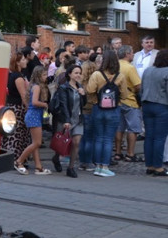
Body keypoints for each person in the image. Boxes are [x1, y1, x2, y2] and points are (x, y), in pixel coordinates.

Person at [86, 49, 128, 177]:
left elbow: (89, 89)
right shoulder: (120, 76)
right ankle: (105, 166)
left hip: (98, 108)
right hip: (114, 110)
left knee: (98, 138)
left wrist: (96, 97)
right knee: (108, 139)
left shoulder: (96, 75)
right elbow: (125, 95)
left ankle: (98, 166)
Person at [14, 66, 52, 175]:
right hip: (34, 115)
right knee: (37, 143)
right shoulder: (37, 87)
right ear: (39, 76)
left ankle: (38, 166)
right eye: (44, 75)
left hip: (33, 115)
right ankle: (19, 161)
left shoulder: (34, 86)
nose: (46, 77)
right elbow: (35, 102)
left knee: (35, 143)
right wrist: (45, 104)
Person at [50, 64, 86, 178]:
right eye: (76, 73)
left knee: (76, 143)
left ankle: (71, 167)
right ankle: (56, 158)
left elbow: (83, 104)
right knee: (62, 142)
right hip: (67, 119)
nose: (78, 75)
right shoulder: (63, 88)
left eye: (79, 73)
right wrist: (66, 120)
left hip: (78, 119)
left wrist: (83, 95)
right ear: (69, 74)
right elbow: (63, 104)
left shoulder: (80, 87)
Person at [140, 49, 168, 176]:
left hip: (147, 104)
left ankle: (149, 165)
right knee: (159, 138)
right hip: (161, 105)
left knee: (149, 137)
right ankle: (158, 167)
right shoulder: (166, 71)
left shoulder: (148, 70)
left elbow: (142, 88)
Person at [112, 45, 142, 163]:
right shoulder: (130, 68)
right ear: (127, 54)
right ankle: (130, 153)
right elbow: (138, 85)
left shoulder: (114, 66)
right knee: (132, 129)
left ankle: (118, 153)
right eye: (132, 52)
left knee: (118, 128)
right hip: (130, 101)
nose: (133, 54)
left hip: (116, 101)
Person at [1, 52, 31, 163]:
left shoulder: (11, 75)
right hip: (18, 108)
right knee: (18, 135)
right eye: (23, 59)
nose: (25, 61)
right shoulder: (18, 77)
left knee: (12, 133)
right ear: (17, 62)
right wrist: (28, 108)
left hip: (11, 106)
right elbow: (23, 95)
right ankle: (16, 158)